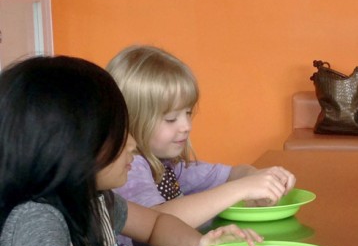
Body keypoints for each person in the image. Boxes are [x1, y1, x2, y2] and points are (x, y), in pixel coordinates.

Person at [0, 56, 262, 246]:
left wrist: (200, 245)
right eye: (119, 132)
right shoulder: (37, 218)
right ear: (70, 146)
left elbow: (156, 225)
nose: (134, 144)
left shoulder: (98, 200)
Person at [106, 45, 297, 236]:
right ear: (132, 119)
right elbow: (156, 221)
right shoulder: (130, 169)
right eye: (171, 119)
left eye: (188, 113)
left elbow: (230, 173)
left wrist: (259, 177)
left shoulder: (168, 165)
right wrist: (241, 189)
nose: (186, 125)